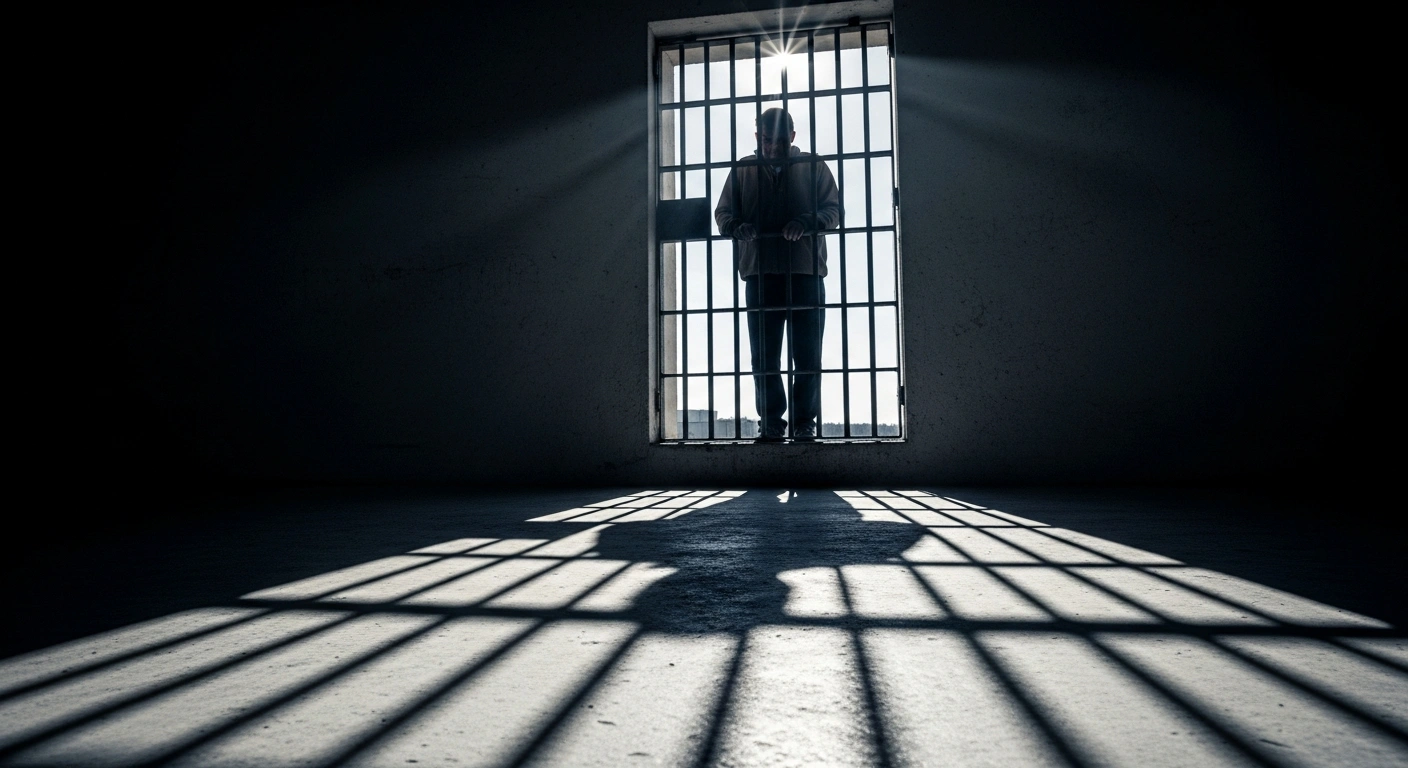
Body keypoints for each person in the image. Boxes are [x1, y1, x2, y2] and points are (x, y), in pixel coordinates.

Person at [715, 108, 841, 441]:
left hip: (801, 274)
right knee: (764, 358)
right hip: (772, 273)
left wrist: (808, 222)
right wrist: (735, 226)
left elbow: (834, 211)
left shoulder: (813, 165)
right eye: (767, 141)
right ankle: (776, 421)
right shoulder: (743, 169)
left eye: (780, 142)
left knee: (807, 356)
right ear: (758, 137)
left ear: (793, 137)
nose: (773, 149)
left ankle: (801, 422)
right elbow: (723, 214)